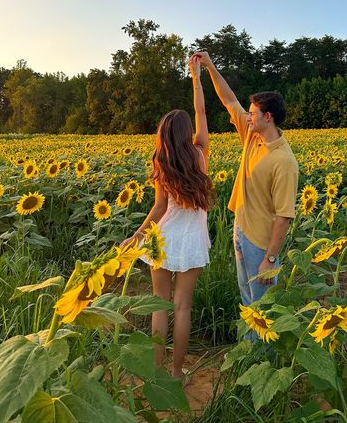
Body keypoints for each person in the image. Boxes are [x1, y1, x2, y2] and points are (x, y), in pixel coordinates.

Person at [121, 55, 213, 380]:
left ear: (163, 134)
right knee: (182, 307)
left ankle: (157, 371)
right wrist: (196, 78)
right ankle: (176, 373)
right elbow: (201, 112)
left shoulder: (163, 164)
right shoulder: (200, 154)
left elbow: (159, 208)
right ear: (188, 132)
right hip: (192, 242)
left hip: (163, 238)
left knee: (159, 305)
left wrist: (138, 234)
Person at [190, 51, 298, 307]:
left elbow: (284, 216)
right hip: (241, 228)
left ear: (267, 117)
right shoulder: (253, 137)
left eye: (252, 114)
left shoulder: (284, 161)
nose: (248, 117)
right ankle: (248, 347)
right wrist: (210, 67)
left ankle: (261, 348)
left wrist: (270, 259)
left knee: (263, 306)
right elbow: (228, 100)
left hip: (261, 242)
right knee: (246, 300)